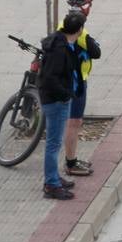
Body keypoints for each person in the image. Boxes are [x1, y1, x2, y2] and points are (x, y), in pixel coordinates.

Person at [38, 11, 84, 199]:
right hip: (56, 101)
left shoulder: (58, 40)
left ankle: (54, 177)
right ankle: (51, 184)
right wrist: (66, 95)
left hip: (53, 99)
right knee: (54, 143)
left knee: (54, 143)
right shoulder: (61, 49)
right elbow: (50, 78)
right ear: (79, 29)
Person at [58, 0, 100, 178]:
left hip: (71, 80)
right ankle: (70, 163)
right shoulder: (79, 29)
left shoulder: (64, 22)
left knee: (74, 122)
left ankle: (72, 159)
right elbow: (96, 51)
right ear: (86, 7)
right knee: (73, 123)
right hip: (75, 83)